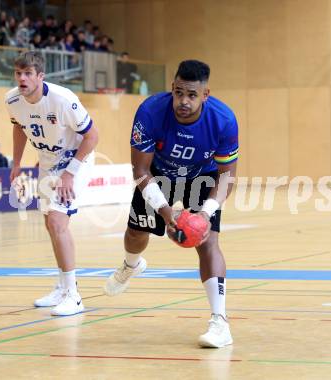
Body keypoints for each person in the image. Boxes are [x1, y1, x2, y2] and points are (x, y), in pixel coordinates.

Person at [104, 60, 239, 348]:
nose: (183, 101)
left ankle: (220, 322)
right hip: (158, 174)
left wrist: (204, 214)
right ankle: (131, 265)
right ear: (172, 89)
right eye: (178, 93)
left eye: (191, 95)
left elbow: (228, 176)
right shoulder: (150, 111)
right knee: (135, 234)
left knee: (208, 242)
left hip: (202, 175)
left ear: (206, 94)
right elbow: (140, 171)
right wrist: (167, 214)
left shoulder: (224, 120)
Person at [5, 51, 98, 316]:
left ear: (40, 76)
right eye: (18, 73)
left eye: (28, 74)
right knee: (50, 223)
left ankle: (74, 296)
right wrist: (16, 164)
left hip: (75, 160)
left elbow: (93, 136)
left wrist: (70, 173)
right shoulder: (12, 99)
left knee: (57, 220)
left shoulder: (63, 99)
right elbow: (18, 127)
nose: (22, 78)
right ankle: (62, 286)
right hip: (47, 161)